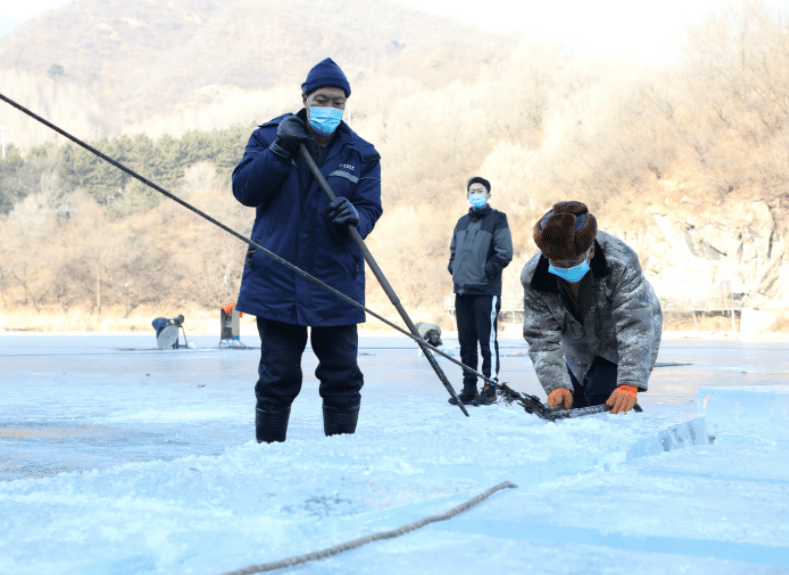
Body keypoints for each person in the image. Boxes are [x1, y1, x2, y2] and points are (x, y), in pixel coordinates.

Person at [232, 58, 382, 443]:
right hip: (276, 276)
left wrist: (357, 218)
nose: (330, 108)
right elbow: (245, 190)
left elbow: (370, 208)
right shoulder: (268, 137)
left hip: (335, 278)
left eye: (338, 102)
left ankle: (340, 454)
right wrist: (281, 150)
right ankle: (269, 452)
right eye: (322, 99)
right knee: (277, 374)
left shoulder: (361, 153)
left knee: (342, 375)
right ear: (304, 98)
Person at [521, 201, 662, 414]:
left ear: (591, 250)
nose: (567, 268)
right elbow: (541, 337)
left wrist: (629, 383)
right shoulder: (534, 277)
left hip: (622, 333)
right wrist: (556, 385)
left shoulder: (619, 261)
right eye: (559, 263)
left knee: (602, 397)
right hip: (577, 339)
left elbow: (634, 323)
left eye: (574, 261)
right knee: (575, 404)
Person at [447, 177, 513, 406]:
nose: (476, 194)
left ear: (488, 195)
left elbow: (504, 253)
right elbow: (453, 250)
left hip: (486, 290)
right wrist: (453, 267)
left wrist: (486, 272)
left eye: (480, 191)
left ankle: (489, 387)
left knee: (487, 341)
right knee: (466, 342)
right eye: (472, 191)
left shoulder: (497, 219)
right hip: (462, 290)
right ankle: (469, 388)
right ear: (467, 195)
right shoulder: (462, 222)